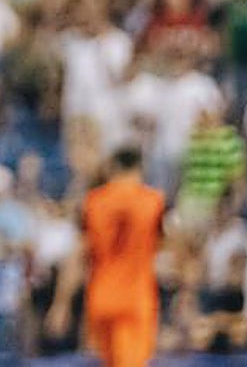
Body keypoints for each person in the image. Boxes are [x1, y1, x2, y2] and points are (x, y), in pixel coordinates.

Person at [46, 147, 165, 367]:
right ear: (139, 168)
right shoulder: (154, 201)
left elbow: (78, 256)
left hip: (101, 299)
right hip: (136, 300)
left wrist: (61, 303)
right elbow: (170, 245)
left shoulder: (93, 202)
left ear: (113, 167)